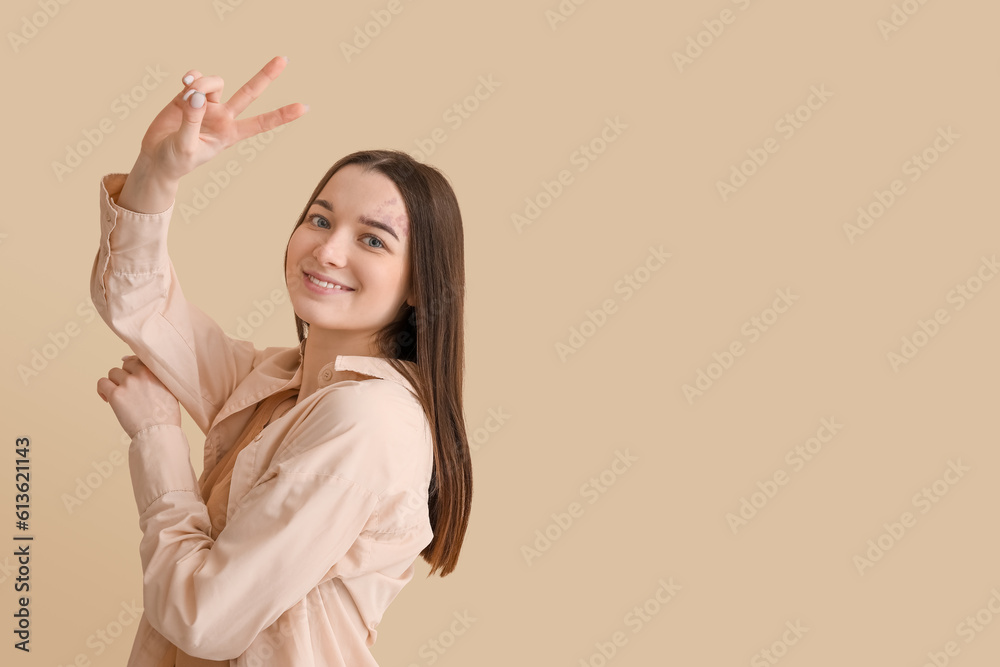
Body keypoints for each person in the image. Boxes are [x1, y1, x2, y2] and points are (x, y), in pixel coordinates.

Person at [92, 56, 473, 666]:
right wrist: (158, 175)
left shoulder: (368, 420)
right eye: (319, 220)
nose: (328, 249)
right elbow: (136, 302)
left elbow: (205, 617)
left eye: (372, 239)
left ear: (420, 285)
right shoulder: (276, 384)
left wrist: (157, 436)